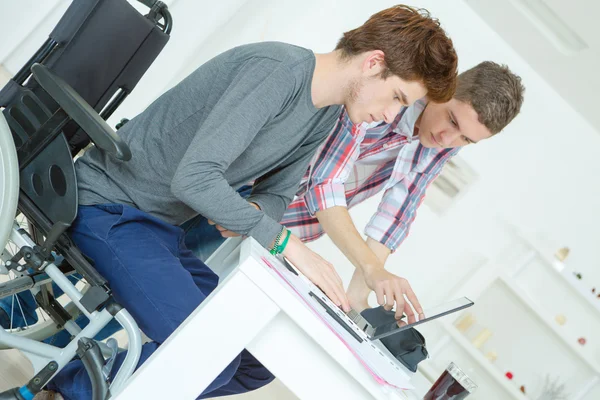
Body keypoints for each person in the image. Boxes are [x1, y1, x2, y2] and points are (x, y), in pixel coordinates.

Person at [40, 5, 458, 399]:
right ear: (373, 63)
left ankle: (77, 386)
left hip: (157, 229)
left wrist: (257, 214)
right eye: (398, 98)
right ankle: (65, 393)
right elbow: (195, 179)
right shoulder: (278, 72)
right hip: (109, 209)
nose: (391, 116)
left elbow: (277, 193)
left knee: (255, 360)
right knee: (209, 355)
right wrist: (284, 243)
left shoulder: (326, 112)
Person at [185, 61, 525, 325]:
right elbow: (324, 186)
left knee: (212, 319)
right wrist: (370, 269)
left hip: (290, 235)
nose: (449, 139)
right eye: (452, 120)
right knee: (176, 296)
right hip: (246, 200)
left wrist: (359, 301)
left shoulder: (441, 146)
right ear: (442, 90)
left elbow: (394, 218)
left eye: (466, 139)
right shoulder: (386, 100)